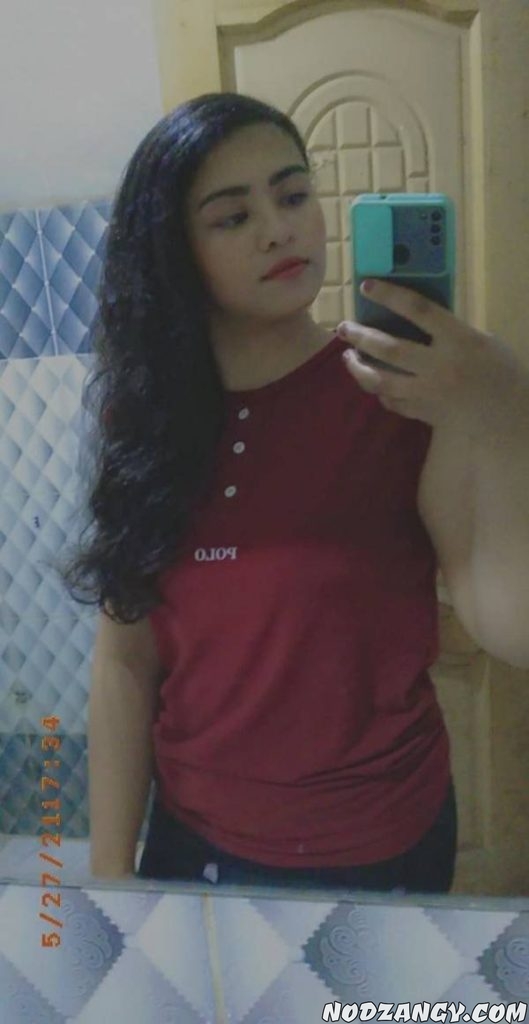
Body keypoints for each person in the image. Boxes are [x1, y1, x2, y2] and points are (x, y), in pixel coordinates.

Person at [60, 92, 457, 893]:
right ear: (176, 253)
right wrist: (109, 875)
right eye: (233, 216)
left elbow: (505, 615)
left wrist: (500, 404)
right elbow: (126, 660)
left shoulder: (401, 395)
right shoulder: (143, 421)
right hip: (194, 837)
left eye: (293, 194)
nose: (279, 229)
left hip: (382, 838)